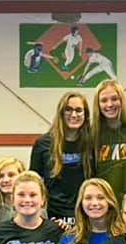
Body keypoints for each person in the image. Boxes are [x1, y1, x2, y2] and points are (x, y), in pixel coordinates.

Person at [30, 92, 92, 226]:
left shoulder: (92, 143)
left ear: (85, 115)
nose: (73, 115)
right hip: (53, 215)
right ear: (61, 113)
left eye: (78, 110)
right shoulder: (43, 143)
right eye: (68, 109)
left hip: (85, 213)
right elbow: (33, 183)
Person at [92, 79, 126, 202]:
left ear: (122, 101)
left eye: (114, 99)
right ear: (98, 104)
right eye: (104, 100)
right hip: (103, 205)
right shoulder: (92, 136)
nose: (109, 104)